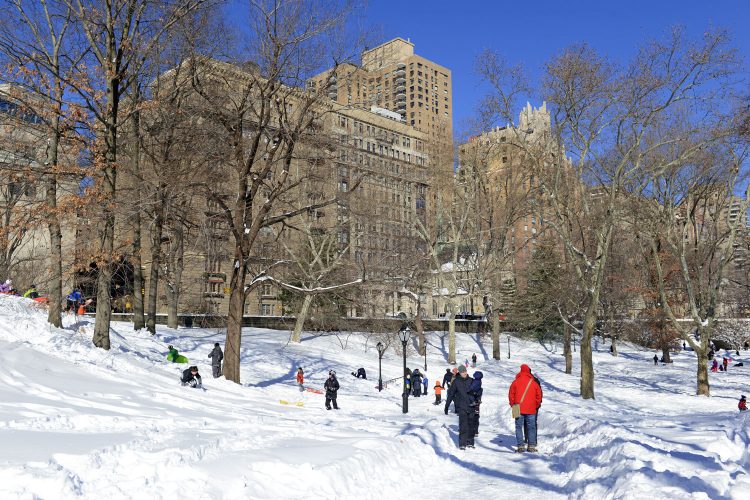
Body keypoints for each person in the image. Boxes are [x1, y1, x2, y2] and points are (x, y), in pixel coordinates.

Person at [508, 364, 542, 453]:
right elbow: (539, 395)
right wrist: (536, 405)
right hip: (531, 408)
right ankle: (531, 446)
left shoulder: (515, 382)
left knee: (518, 427)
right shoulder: (533, 382)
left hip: (517, 407)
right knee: (531, 427)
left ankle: (520, 446)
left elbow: (511, 395)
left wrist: (512, 405)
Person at [444, 365, 474, 449]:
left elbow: (477, 391)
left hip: (472, 406)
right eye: (462, 372)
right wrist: (447, 406)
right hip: (462, 406)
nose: (464, 373)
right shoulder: (456, 382)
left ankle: (470, 442)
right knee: (463, 425)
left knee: (471, 425)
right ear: (460, 373)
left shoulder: (471, 380)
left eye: (465, 371)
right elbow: (450, 394)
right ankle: (462, 444)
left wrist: (477, 401)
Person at [468, 371, 483, 441]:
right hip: (478, 400)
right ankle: (476, 431)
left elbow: (471, 388)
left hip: (473, 400)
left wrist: (468, 389)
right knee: (476, 416)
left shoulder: (475, 381)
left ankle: (472, 431)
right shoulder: (479, 381)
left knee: (472, 416)